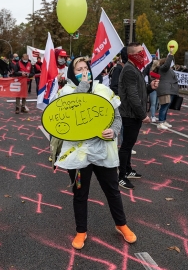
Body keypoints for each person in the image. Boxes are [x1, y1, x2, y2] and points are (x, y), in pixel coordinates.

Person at [53, 56, 137, 249]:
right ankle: (81, 231)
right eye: (78, 69)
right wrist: (82, 85)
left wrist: (114, 130)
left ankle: (121, 224)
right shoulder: (65, 93)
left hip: (102, 152)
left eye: (86, 68)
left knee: (112, 191)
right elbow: (73, 110)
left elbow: (116, 117)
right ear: (71, 74)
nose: (84, 71)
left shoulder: (102, 90)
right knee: (80, 193)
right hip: (78, 154)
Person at [118, 43, 159, 190]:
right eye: (139, 53)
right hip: (130, 114)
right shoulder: (129, 70)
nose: (143, 56)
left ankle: (127, 170)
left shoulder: (134, 68)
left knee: (129, 145)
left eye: (142, 52)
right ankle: (121, 176)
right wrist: (142, 115)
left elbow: (139, 91)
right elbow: (133, 96)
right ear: (131, 55)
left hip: (133, 114)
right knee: (126, 146)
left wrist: (149, 87)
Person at [156, 50, 179, 130]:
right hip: (165, 90)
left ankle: (164, 121)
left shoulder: (169, 70)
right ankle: (160, 122)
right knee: (164, 107)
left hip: (170, 90)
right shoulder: (163, 69)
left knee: (166, 107)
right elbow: (167, 65)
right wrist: (170, 55)